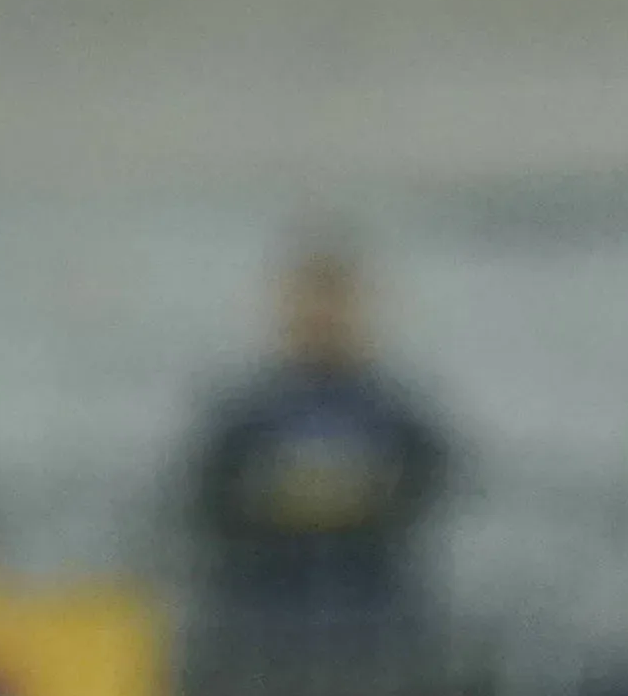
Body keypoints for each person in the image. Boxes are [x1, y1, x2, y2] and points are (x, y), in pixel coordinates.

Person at [179, 240, 454, 629]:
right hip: (259, 613)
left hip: (374, 611)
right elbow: (204, 502)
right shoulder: (244, 417)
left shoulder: (397, 417)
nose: (322, 318)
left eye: (335, 303)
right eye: (310, 303)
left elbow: (428, 490)